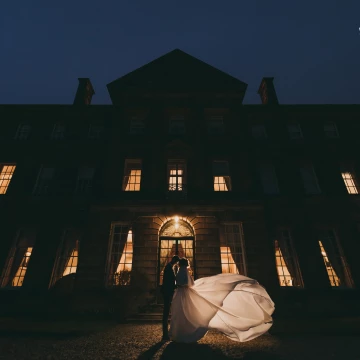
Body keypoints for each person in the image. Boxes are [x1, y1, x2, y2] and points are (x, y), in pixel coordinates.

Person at [169, 257, 275, 343]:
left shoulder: (179, 272)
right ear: (185, 264)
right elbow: (190, 284)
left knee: (180, 313)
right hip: (185, 294)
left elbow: (180, 283)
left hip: (180, 294)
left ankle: (179, 333)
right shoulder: (185, 272)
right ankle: (186, 333)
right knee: (188, 313)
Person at [161, 255, 179, 341]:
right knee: (166, 312)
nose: (176, 264)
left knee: (167, 311)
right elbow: (169, 280)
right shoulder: (168, 267)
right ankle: (165, 334)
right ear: (174, 260)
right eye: (176, 262)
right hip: (167, 291)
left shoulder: (169, 267)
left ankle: (165, 334)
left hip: (168, 291)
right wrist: (175, 285)